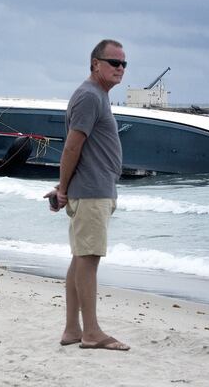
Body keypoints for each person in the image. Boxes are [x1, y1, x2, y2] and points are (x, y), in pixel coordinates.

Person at [43, 39, 130, 351]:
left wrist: (65, 187)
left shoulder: (96, 96)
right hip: (91, 191)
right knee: (88, 260)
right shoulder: (90, 96)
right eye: (114, 62)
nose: (120, 68)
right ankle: (91, 332)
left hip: (94, 188)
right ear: (96, 64)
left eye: (123, 64)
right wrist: (63, 188)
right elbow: (72, 146)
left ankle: (72, 329)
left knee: (80, 259)